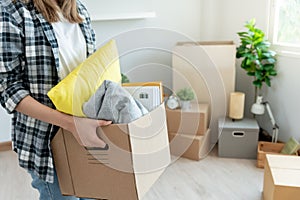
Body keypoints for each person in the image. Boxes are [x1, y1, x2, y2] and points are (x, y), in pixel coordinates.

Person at [0, 0, 111, 199]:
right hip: (46, 141)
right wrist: (70, 123)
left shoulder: (79, 10)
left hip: (86, 134)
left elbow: (90, 73)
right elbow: (8, 88)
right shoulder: (12, 11)